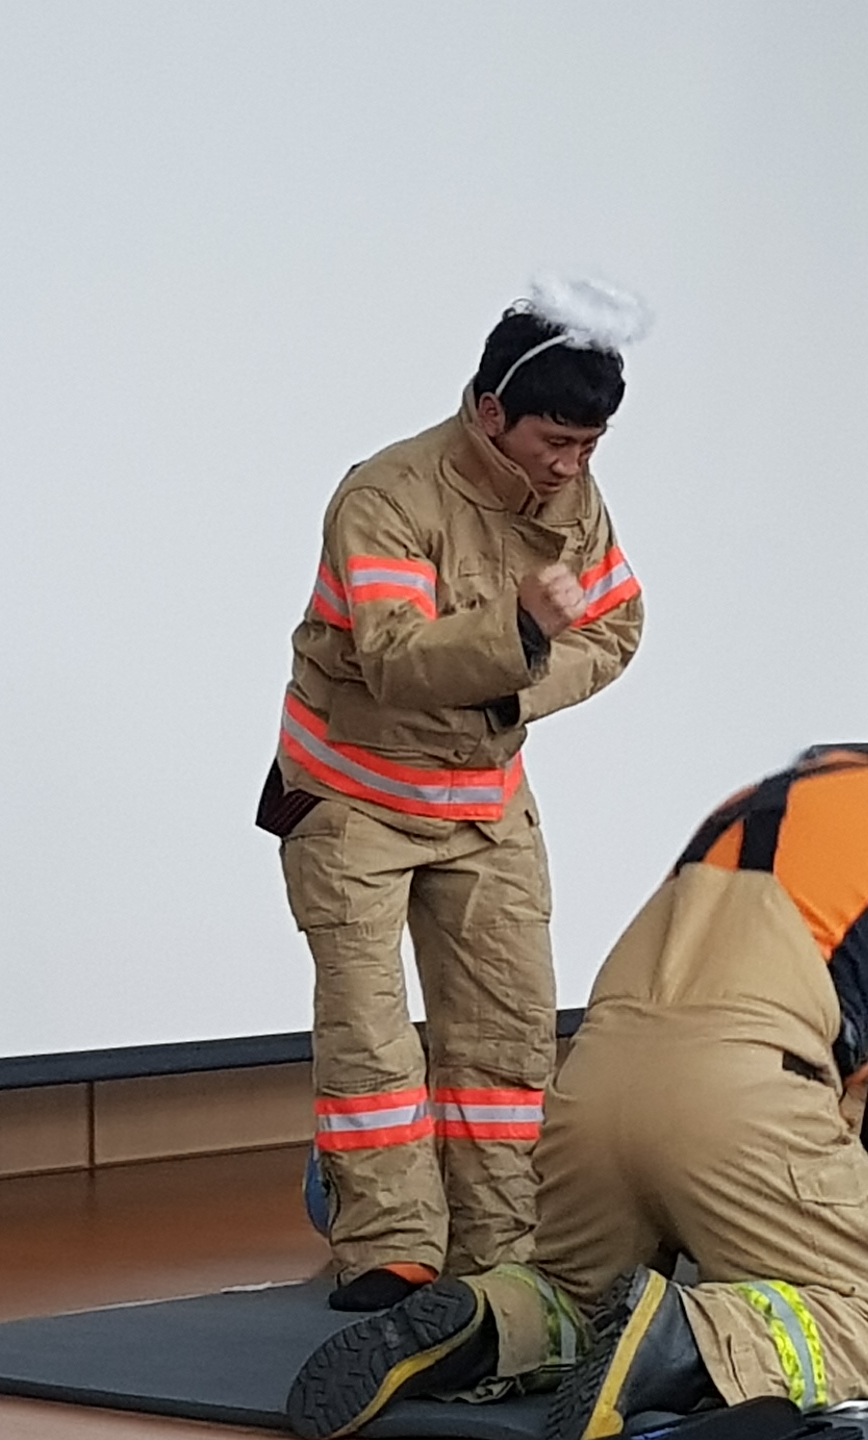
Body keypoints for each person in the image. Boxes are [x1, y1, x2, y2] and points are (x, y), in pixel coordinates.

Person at [282, 733, 868, 1440]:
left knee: (577, 1294)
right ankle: (684, 1338)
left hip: (594, 1081)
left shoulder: (754, 802)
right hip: (742, 1094)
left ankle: (485, 1319)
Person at [256, 278, 651, 1312]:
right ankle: (389, 1247)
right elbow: (393, 658)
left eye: (590, 446)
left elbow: (615, 627)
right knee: (370, 1033)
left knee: (508, 1038)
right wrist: (518, 632)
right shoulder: (385, 498)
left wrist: (523, 684)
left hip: (483, 800)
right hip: (348, 798)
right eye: (554, 442)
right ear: (489, 411)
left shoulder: (575, 501)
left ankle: (502, 1254)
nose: (570, 466)